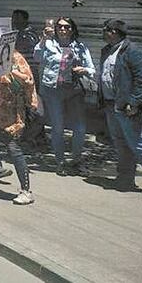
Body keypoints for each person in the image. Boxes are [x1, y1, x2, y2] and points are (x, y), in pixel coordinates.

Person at [34, 16, 95, 175]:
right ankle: (60, 162)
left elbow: (92, 69)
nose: (63, 29)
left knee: (80, 129)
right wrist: (43, 39)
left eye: (67, 27)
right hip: (53, 91)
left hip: (74, 91)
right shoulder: (48, 44)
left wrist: (84, 70)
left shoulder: (80, 47)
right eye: (60, 27)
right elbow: (37, 57)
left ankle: (76, 160)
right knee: (58, 128)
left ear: (72, 30)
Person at [0, 46, 36, 204]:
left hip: (12, 113)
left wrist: (12, 71)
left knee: (14, 149)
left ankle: (26, 190)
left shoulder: (17, 58)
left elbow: (28, 80)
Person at [96, 19, 142, 191]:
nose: (103, 33)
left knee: (138, 143)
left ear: (114, 32)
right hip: (111, 105)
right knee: (120, 143)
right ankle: (125, 179)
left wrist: (135, 102)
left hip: (128, 107)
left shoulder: (132, 51)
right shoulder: (107, 50)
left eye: (106, 30)